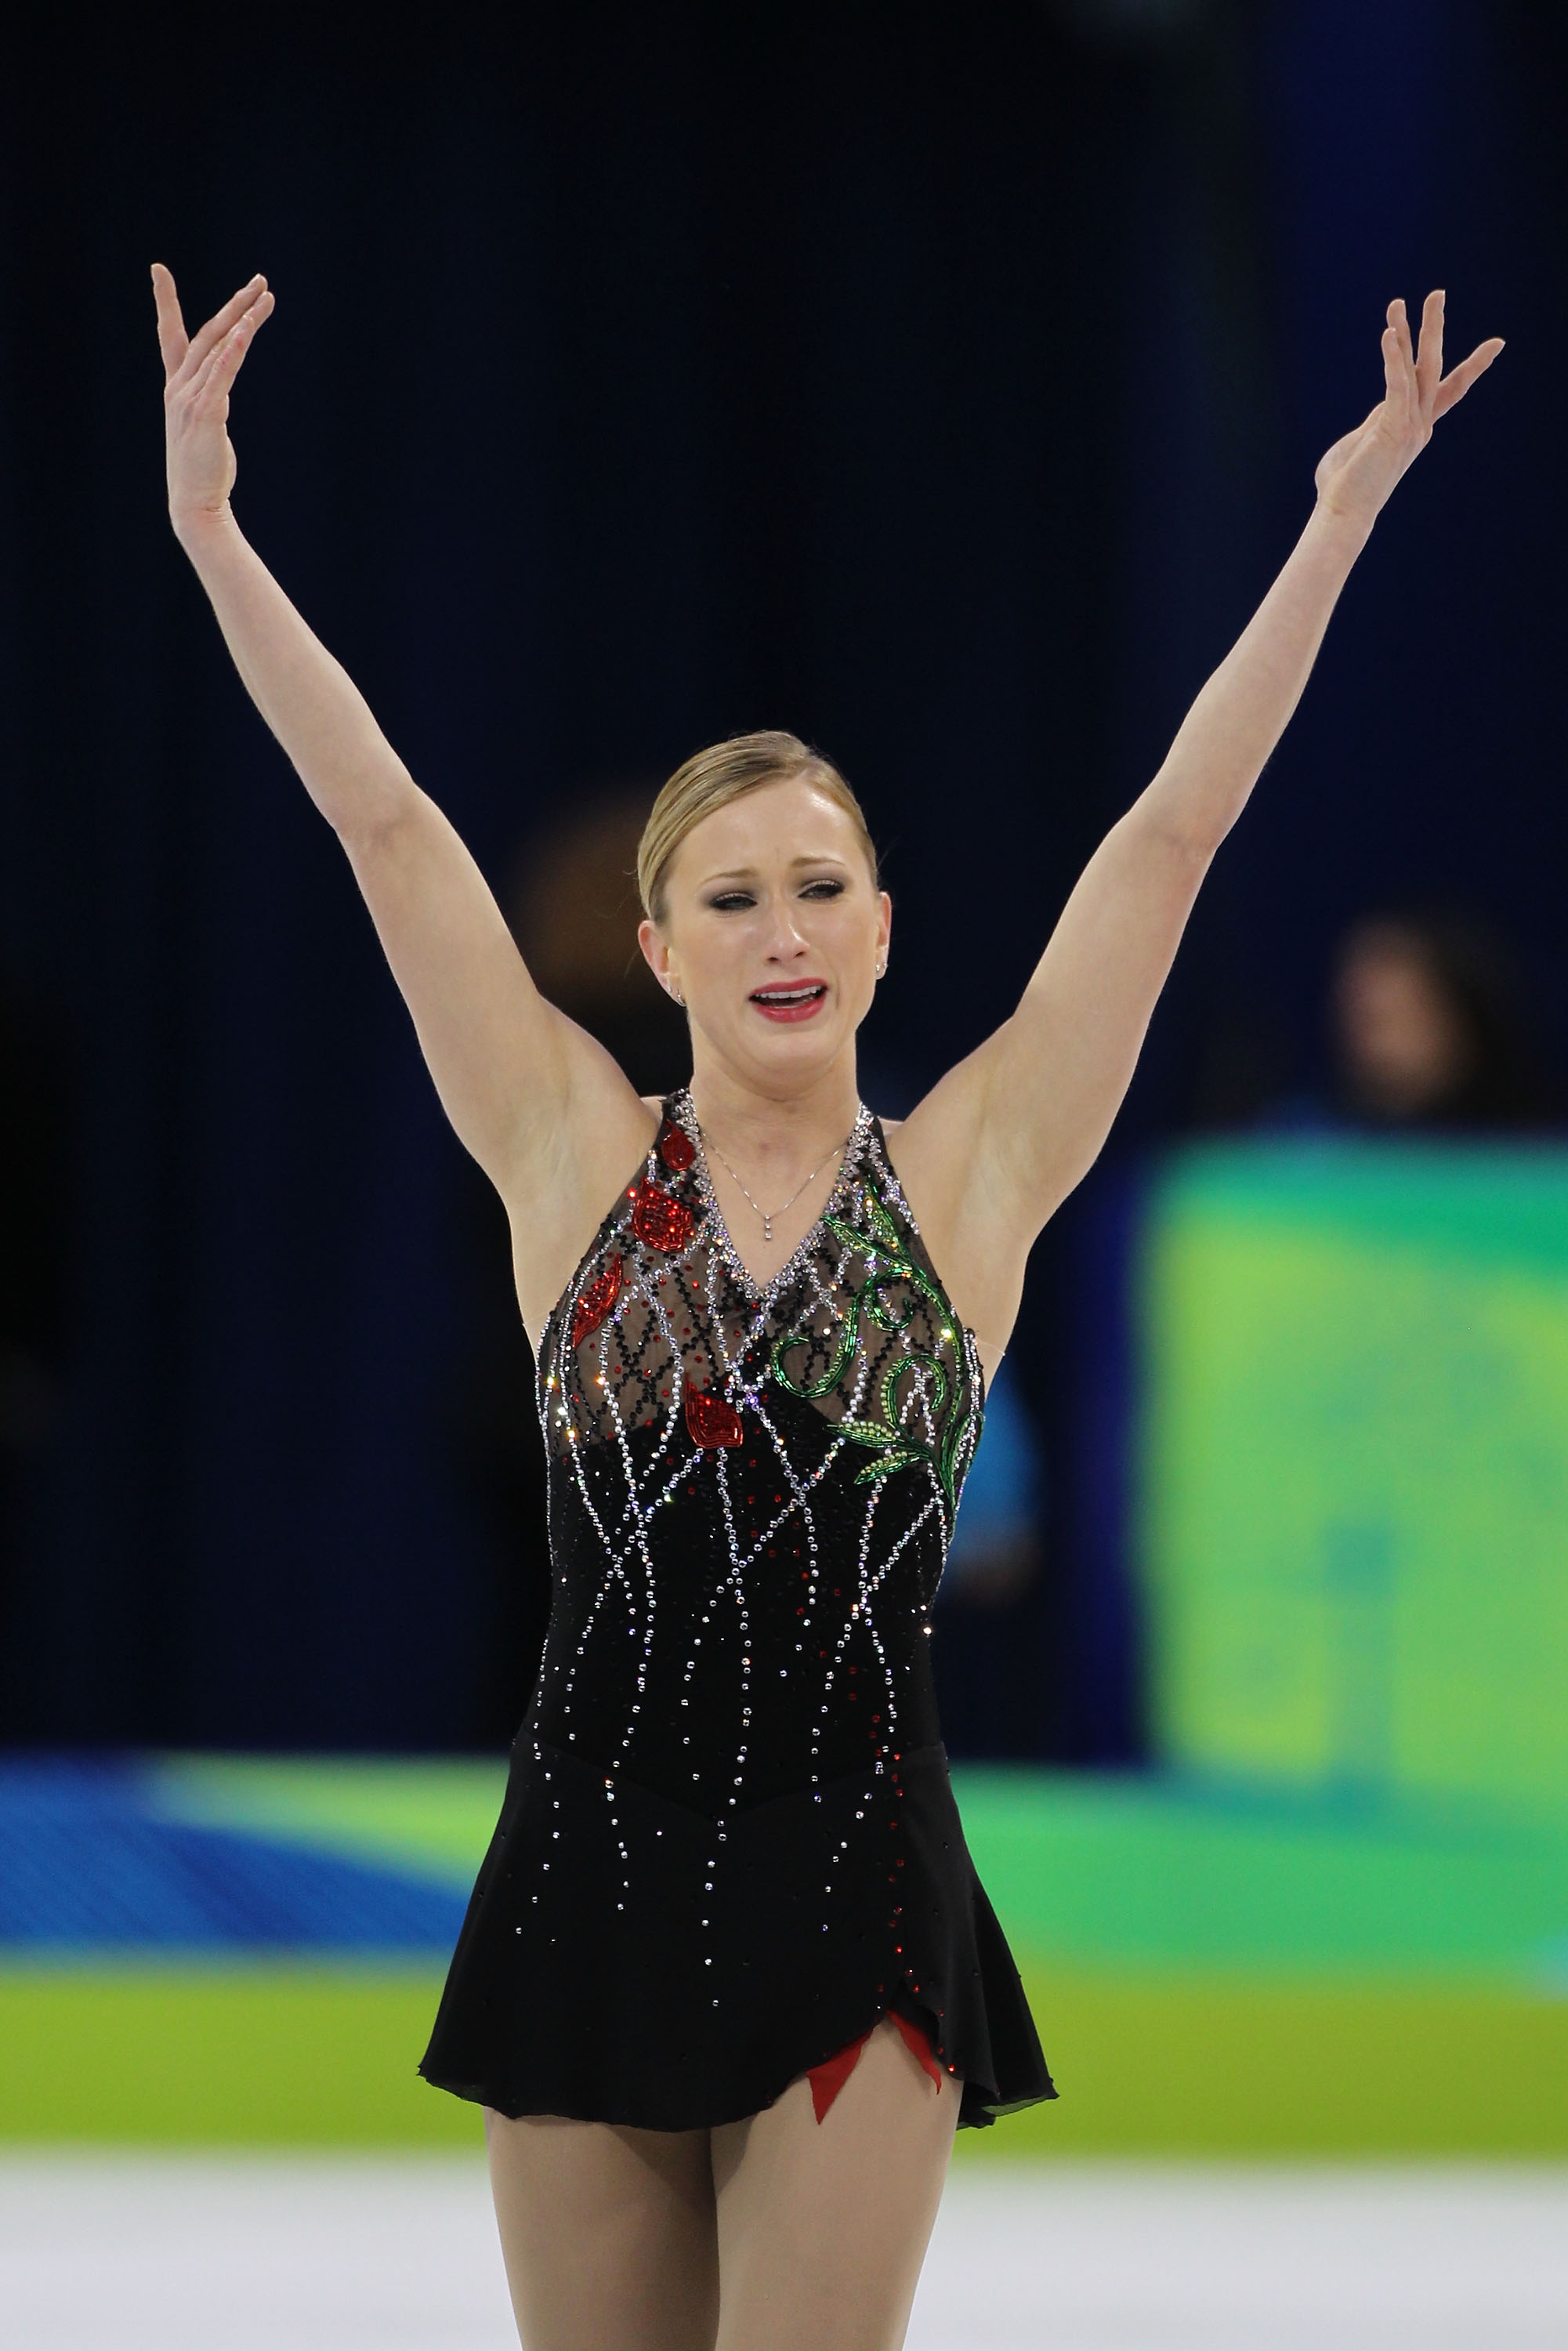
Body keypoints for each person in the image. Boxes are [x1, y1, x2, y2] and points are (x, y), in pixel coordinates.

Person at [152, 263, 1501, 2350]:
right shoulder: (569, 1156)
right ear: (658, 944)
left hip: (853, 1889)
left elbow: (1172, 835)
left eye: (822, 883)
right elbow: (381, 821)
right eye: (733, 895)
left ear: (884, 921)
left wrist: (1333, 522)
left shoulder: (969, 1171)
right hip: (579, 1877)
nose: (784, 929)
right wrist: (216, 541)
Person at [1331, 907, 1554, 1130]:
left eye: (1384, 1019)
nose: (1360, 993)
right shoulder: (1316, 1139)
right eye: (1366, 1021)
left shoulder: (1537, 1138)